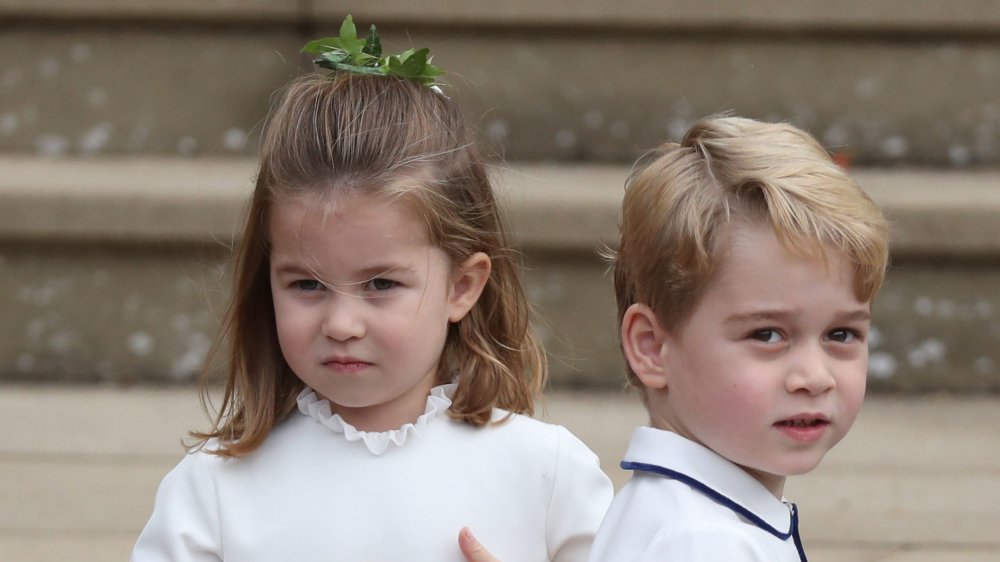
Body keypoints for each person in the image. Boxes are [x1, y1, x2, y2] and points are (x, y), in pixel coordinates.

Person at [131, 17, 612, 562]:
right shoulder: (214, 491)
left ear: (463, 286)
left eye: (381, 284)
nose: (340, 324)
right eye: (306, 284)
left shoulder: (546, 475)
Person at [588, 116, 890, 561]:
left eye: (840, 333)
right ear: (652, 347)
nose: (814, 376)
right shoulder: (705, 542)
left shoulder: (689, 517)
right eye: (767, 334)